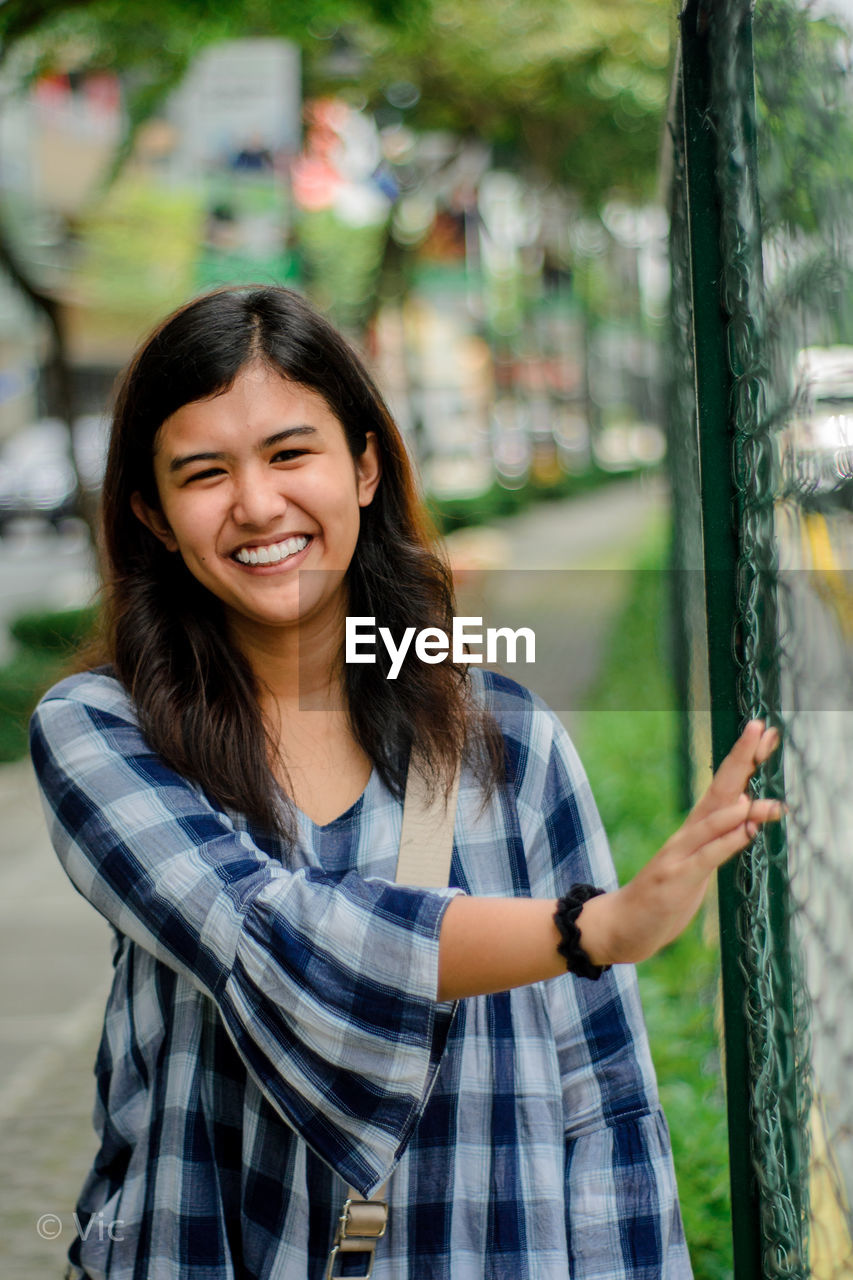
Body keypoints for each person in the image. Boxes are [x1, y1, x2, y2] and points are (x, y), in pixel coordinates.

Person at [30, 285, 782, 1280]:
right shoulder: (100, 730)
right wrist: (588, 927)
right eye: (204, 473)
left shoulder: (507, 738)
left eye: (290, 453)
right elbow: (271, 935)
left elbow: (603, 1103)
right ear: (155, 516)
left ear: (366, 465)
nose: (256, 504)